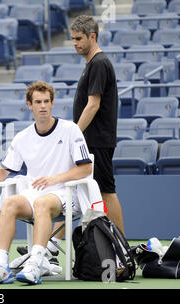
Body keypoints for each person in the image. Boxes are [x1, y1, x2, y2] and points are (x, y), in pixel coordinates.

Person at [0, 81, 93, 285]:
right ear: (29, 105)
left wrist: (55, 178)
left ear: (52, 103)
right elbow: (4, 169)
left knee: (42, 203)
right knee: (9, 203)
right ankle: (1, 266)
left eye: (47, 101)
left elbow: (86, 168)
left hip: (65, 194)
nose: (43, 106)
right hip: (35, 193)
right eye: (38, 102)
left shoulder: (70, 130)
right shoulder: (23, 137)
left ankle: (35, 264)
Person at [48, 15, 126, 257]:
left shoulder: (100, 63)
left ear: (93, 36)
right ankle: (52, 242)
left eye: (79, 38)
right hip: (90, 141)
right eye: (72, 39)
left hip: (97, 141)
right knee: (78, 190)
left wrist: (73, 134)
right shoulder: (92, 64)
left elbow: (93, 104)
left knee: (106, 192)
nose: (74, 43)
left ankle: (122, 249)